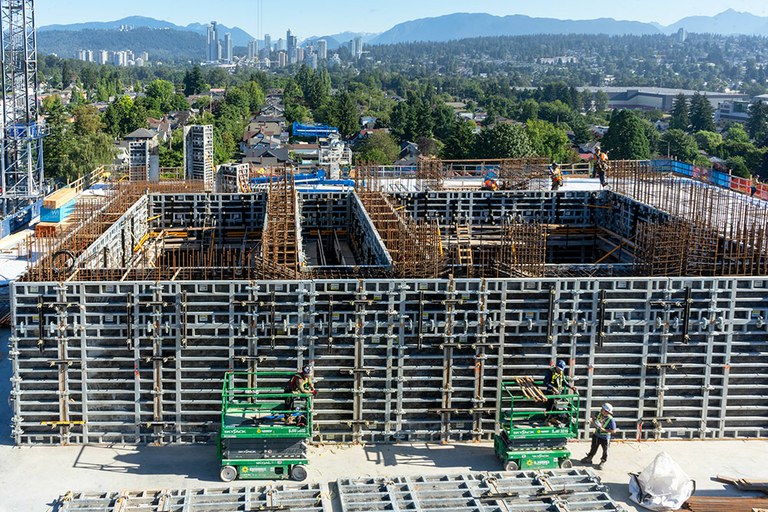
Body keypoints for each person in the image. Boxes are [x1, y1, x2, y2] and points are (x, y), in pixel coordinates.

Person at [581, 403, 617, 469]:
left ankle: (603, 461)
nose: (601, 410)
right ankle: (590, 457)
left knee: (605, 451)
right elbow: (594, 419)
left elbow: (614, 431)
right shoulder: (598, 413)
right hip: (596, 435)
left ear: (606, 411)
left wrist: (604, 429)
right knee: (593, 447)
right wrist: (593, 422)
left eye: (603, 409)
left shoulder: (610, 420)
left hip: (605, 437)